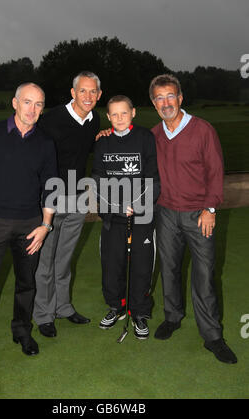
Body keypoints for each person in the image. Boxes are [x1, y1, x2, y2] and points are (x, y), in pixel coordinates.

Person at [0, 83, 57, 365]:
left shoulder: (45, 143)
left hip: (31, 225)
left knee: (26, 284)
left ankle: (22, 332)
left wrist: (45, 225)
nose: (33, 109)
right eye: (27, 102)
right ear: (14, 103)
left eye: (39, 104)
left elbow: (51, 186)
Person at [149, 74, 237, 364]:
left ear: (180, 98)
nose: (166, 103)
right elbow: (129, 147)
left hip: (199, 216)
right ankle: (172, 317)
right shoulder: (154, 135)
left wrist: (211, 209)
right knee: (170, 270)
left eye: (170, 96)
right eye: (159, 98)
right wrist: (106, 134)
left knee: (204, 276)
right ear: (153, 102)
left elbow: (215, 171)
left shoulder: (202, 130)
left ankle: (212, 336)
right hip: (165, 213)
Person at [33, 71, 102, 338]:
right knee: (45, 261)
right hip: (50, 199)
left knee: (64, 259)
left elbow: (87, 148)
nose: (88, 96)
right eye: (82, 91)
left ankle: (63, 307)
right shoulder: (51, 119)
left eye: (93, 92)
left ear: (99, 95)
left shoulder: (94, 120)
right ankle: (43, 314)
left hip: (76, 199)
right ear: (73, 93)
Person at [92, 95, 160, 339]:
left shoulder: (144, 137)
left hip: (141, 215)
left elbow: (153, 175)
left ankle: (139, 312)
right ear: (108, 117)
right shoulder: (103, 142)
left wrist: (139, 203)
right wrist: (117, 206)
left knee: (141, 267)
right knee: (112, 265)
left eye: (124, 113)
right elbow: (98, 178)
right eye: (114, 114)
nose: (119, 118)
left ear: (133, 113)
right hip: (113, 215)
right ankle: (117, 307)